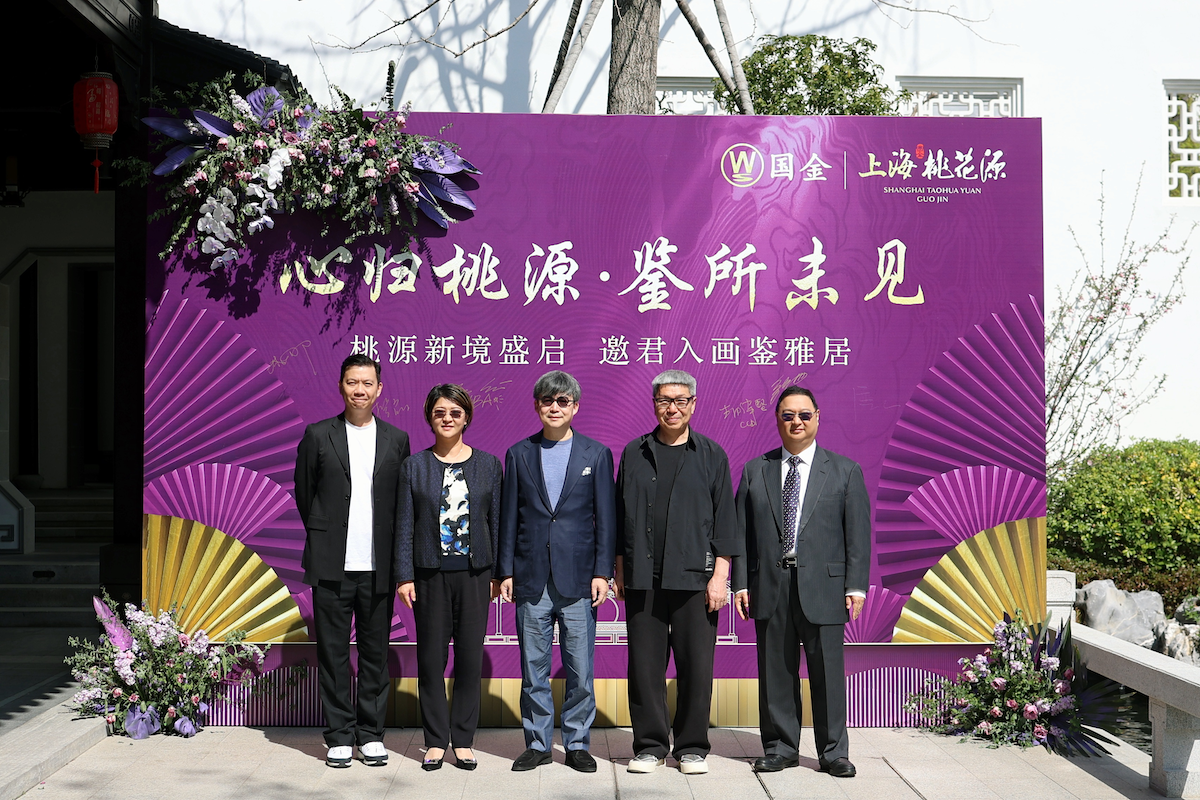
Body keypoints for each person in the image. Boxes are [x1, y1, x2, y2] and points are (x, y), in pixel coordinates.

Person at [732, 386, 871, 778]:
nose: (797, 422)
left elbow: (857, 535)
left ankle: (833, 752)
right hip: (769, 585)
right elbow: (741, 533)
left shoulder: (844, 471)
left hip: (825, 588)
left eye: (804, 415)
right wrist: (740, 584)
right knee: (775, 670)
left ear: (817, 417)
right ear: (777, 419)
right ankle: (780, 747)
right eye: (788, 415)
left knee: (827, 673)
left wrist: (855, 586)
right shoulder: (755, 470)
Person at [614, 369, 739, 775]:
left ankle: (691, 747)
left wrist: (720, 577)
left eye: (680, 400)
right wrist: (620, 569)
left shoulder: (712, 455)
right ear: (654, 404)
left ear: (693, 404)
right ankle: (649, 746)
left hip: (696, 579)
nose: (672, 408)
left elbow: (725, 521)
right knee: (645, 667)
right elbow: (620, 515)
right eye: (664, 400)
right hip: (643, 577)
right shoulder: (635, 452)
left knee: (696, 667)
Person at [295, 353, 411, 768]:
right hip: (332, 566)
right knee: (333, 654)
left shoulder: (397, 439)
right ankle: (340, 735)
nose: (359, 390)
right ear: (341, 386)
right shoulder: (318, 435)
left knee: (375, 654)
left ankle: (371, 735)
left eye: (367, 383)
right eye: (352, 382)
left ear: (379, 389)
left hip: (378, 567)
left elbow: (402, 503)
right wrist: (327, 538)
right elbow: (305, 495)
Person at [498, 370, 617, 773]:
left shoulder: (596, 454)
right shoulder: (519, 453)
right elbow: (509, 517)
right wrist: (505, 570)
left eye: (563, 401)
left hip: (579, 578)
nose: (554, 407)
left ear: (575, 407)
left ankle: (577, 743)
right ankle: (537, 744)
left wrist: (602, 572)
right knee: (533, 669)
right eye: (547, 400)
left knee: (580, 669)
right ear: (537, 406)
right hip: (530, 576)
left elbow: (605, 519)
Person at [395, 384, 502, 771]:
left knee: (470, 660)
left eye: (455, 413)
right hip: (429, 576)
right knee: (431, 660)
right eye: (440, 412)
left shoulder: (489, 465)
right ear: (430, 417)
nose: (447, 419)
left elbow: (498, 523)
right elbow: (404, 525)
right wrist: (404, 575)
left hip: (475, 576)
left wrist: (499, 574)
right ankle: (436, 741)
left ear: (466, 417)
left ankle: (464, 741)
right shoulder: (414, 466)